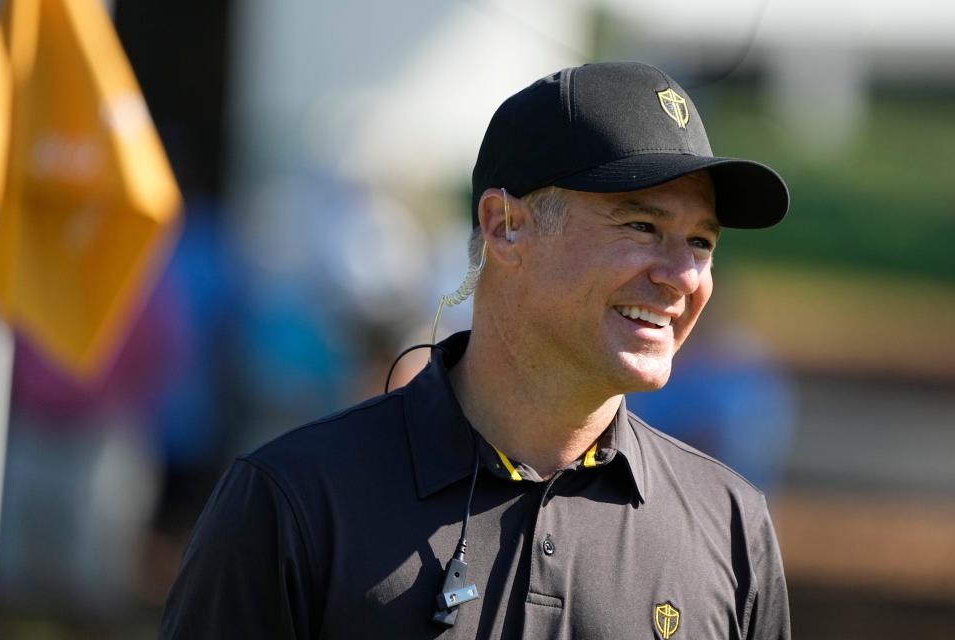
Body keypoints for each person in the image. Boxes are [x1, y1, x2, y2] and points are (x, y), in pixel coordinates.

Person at [161, 61, 792, 639]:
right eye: (641, 226)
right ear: (505, 227)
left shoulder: (732, 527)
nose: (683, 276)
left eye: (701, 243)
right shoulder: (294, 502)